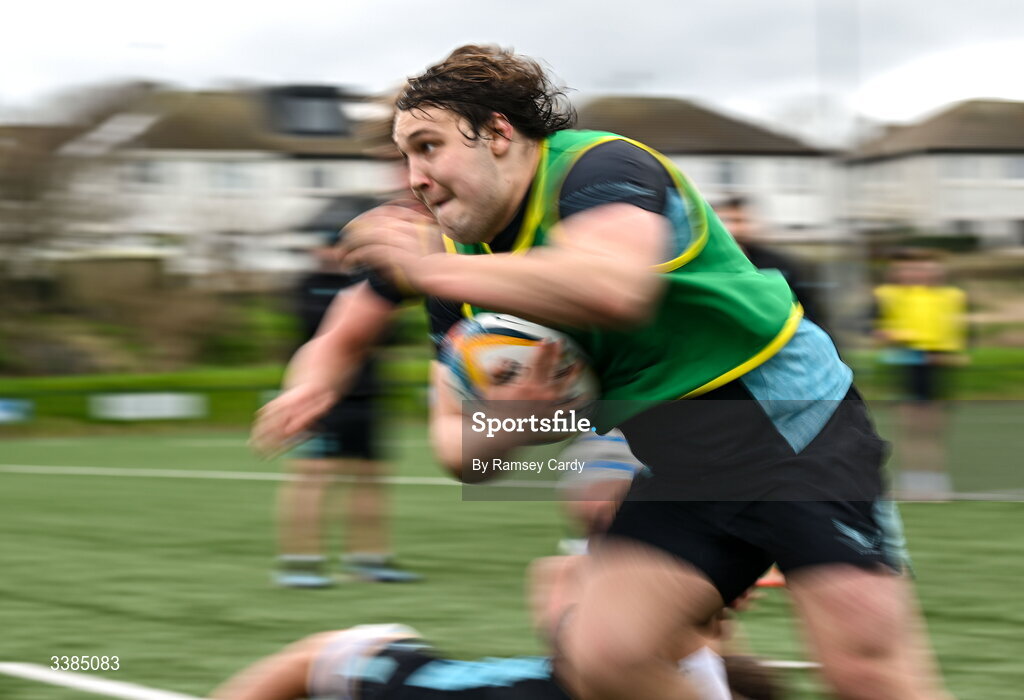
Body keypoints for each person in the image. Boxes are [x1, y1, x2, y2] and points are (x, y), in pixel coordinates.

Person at [258, 44, 950, 700]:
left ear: (497, 132)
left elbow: (613, 286)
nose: (413, 178)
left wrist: (421, 267)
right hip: (671, 452)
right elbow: (453, 445)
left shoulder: (597, 168)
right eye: (404, 156)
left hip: (787, 423)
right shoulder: (455, 266)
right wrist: (506, 423)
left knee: (866, 674)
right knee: (606, 657)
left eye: (428, 147)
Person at [275, 234, 419, 586]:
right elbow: (321, 331)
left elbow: (387, 331)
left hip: (368, 396)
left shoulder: (370, 285)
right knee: (313, 478)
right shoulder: (309, 286)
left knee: (371, 478)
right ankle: (300, 563)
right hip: (321, 399)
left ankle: (369, 561)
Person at [873, 252, 968, 500]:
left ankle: (936, 481)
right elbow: (874, 327)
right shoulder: (889, 296)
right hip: (907, 365)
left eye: (925, 269)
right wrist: (892, 335)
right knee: (909, 426)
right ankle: (912, 482)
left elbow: (960, 334)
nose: (918, 274)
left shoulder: (950, 297)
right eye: (911, 269)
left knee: (932, 427)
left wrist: (950, 354)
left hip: (936, 366)